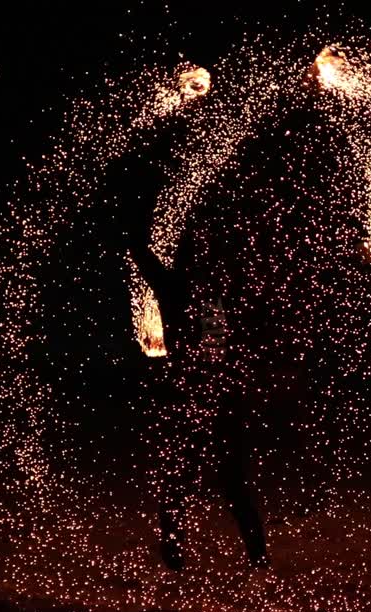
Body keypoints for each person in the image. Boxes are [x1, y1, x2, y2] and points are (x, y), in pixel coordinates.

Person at [106, 93, 271, 572]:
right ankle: (176, 553)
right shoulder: (175, 287)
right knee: (183, 475)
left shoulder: (223, 284)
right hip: (189, 391)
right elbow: (136, 243)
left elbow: (242, 241)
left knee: (230, 477)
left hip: (222, 391)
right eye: (196, 249)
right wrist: (144, 161)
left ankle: (256, 555)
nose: (202, 255)